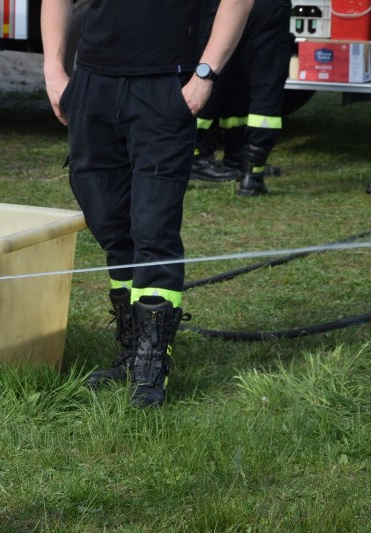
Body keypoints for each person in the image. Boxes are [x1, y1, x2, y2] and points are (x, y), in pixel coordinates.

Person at [41, 0, 253, 406]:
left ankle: (152, 363)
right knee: (108, 223)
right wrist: (54, 69)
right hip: (93, 85)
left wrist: (205, 73)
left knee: (153, 227)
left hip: (165, 85)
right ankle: (131, 350)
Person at [193, 0, 294, 196]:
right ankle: (252, 173)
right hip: (269, 8)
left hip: (227, 6)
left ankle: (201, 158)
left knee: (222, 75)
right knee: (264, 84)